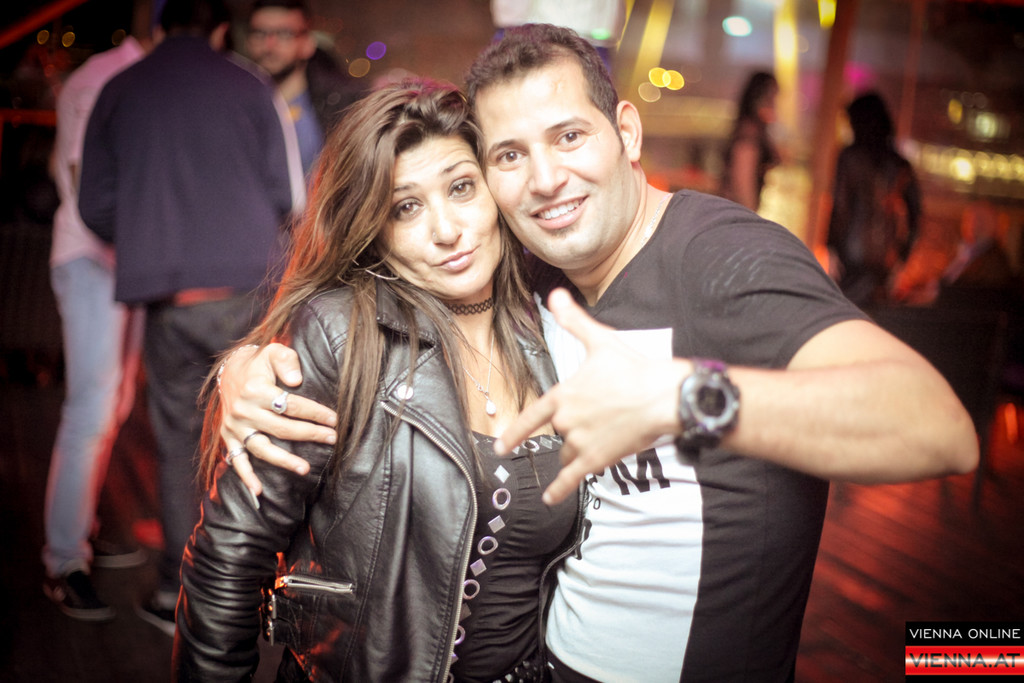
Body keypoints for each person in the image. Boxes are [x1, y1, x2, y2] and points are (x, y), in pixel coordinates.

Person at [219, 24, 977, 682]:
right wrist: (248, 367)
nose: (547, 180)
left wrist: (683, 397)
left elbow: (936, 426)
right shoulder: (535, 271)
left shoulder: (719, 257)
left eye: (570, 137)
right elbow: (361, 287)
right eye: (509, 156)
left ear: (628, 134)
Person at [172, 80, 581, 682]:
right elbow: (226, 561)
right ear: (374, 229)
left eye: (461, 188)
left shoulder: (553, 327)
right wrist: (242, 364)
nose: (447, 230)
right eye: (405, 207)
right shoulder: (341, 336)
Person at [78, 0, 305, 636]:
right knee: (256, 439)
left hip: (172, 300)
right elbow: (289, 195)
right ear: (220, 29)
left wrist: (154, 238)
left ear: (158, 26)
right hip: (250, 296)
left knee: (179, 443)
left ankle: (175, 593)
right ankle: (247, 594)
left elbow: (95, 205)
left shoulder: (122, 88)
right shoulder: (251, 85)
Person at [42, 32, 147, 623]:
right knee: (91, 409)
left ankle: (80, 526)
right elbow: (85, 182)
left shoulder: (120, 74)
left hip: (120, 261)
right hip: (92, 259)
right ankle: (64, 559)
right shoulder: (106, 76)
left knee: (114, 403)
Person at [245, 0, 363, 175]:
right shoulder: (236, 106)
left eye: (284, 34)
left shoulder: (341, 103)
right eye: (260, 33)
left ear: (308, 43)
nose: (270, 44)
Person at [827, 91, 922, 307]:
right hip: (884, 255)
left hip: (851, 250)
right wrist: (902, 256)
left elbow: (840, 207)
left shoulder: (850, 157)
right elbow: (916, 215)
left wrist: (831, 247)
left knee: (844, 310)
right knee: (874, 313)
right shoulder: (899, 164)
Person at [717, 70, 780, 212]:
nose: (774, 103)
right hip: (737, 211)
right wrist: (750, 215)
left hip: (734, 210)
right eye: (771, 96)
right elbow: (742, 181)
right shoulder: (749, 135)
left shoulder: (749, 131)